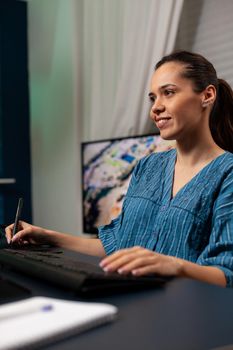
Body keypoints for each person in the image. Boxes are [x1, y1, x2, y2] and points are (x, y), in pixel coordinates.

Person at [5, 50, 233, 287]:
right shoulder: (148, 166)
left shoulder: (228, 173)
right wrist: (47, 236)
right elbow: (115, 245)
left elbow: (227, 273)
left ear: (207, 95)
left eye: (168, 93)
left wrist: (176, 266)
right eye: (153, 98)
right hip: (128, 300)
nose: (156, 108)